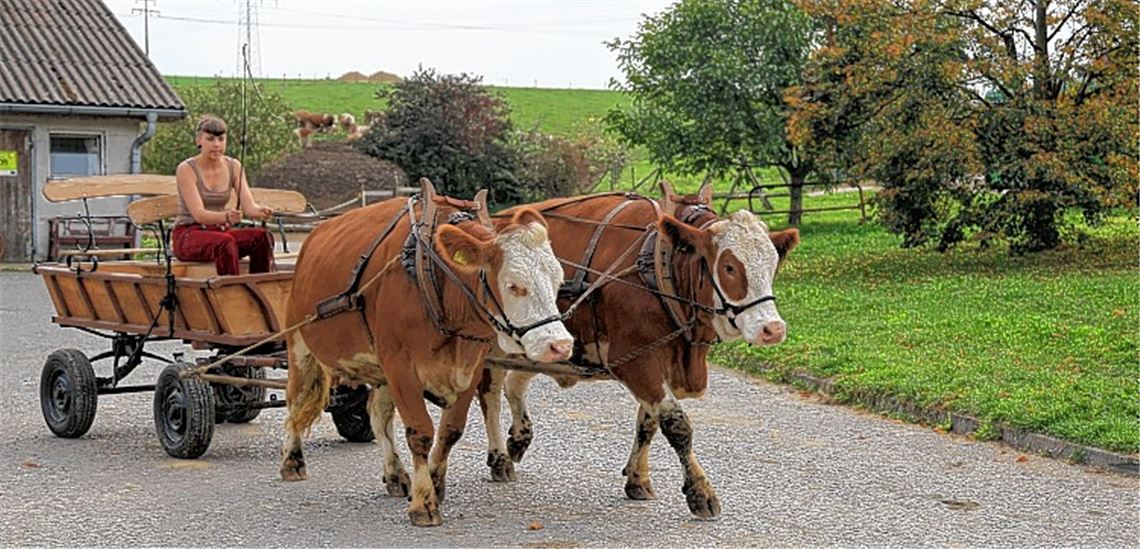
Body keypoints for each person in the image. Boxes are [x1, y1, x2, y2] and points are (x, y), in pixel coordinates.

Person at [172, 115, 275, 276]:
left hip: (220, 232)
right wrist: (226, 216)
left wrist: (261, 211)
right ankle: (231, 292)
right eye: (210, 139)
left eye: (221, 139)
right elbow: (199, 214)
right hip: (189, 234)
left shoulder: (234, 166)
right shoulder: (186, 169)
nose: (216, 145)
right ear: (199, 141)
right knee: (225, 243)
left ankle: (259, 287)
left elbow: (249, 207)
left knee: (263, 238)